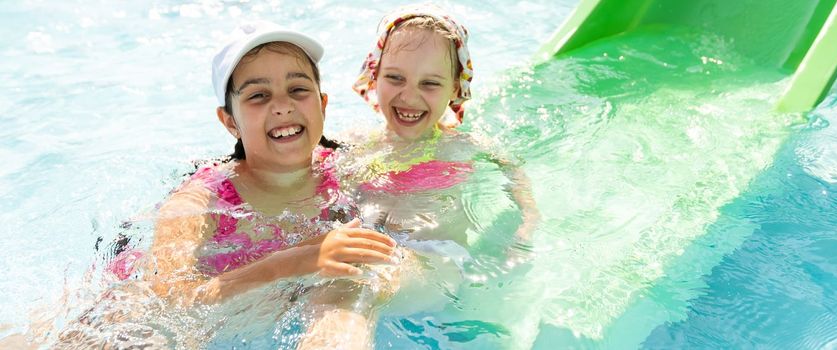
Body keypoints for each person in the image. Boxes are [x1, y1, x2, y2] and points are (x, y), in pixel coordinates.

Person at [61, 21, 399, 350]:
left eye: (298, 90)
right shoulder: (199, 201)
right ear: (229, 122)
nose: (282, 106)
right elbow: (170, 299)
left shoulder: (350, 169)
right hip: (121, 294)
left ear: (322, 104)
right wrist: (294, 261)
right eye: (258, 95)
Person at [344, 4, 540, 274]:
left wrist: (526, 227)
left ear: (455, 87)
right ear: (374, 74)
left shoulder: (462, 146)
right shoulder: (354, 143)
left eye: (430, 84)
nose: (409, 97)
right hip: (366, 260)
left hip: (437, 265)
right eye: (395, 78)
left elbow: (515, 174)